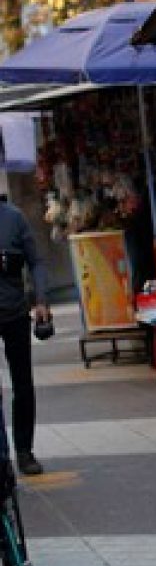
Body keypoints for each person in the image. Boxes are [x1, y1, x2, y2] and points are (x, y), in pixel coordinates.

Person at [0, 198, 51, 476]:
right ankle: (2, 454)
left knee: (23, 384)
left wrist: (41, 298)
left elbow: (36, 261)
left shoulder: (14, 217)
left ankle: (24, 451)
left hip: (15, 312)